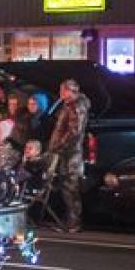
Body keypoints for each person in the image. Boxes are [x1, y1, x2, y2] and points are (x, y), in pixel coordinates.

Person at [46, 78, 91, 232]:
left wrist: (59, 145)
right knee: (66, 188)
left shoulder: (77, 108)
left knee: (71, 188)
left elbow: (74, 132)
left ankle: (74, 223)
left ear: (69, 91)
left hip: (71, 155)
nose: (61, 94)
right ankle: (69, 220)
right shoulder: (67, 106)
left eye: (62, 91)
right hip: (65, 154)